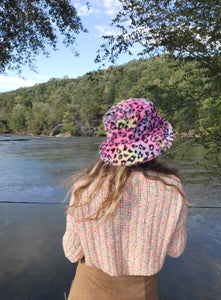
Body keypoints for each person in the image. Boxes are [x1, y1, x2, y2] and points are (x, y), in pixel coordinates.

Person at [62, 98, 188, 300]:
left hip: (87, 291)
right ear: (156, 144)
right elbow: (176, 249)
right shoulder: (171, 188)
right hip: (141, 292)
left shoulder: (84, 188)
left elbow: (72, 252)